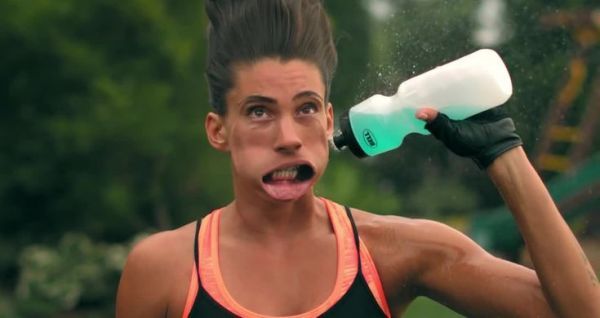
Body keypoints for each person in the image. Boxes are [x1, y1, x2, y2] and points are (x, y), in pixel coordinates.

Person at [115, 0, 600, 317]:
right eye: (259, 111)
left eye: (305, 108)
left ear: (329, 122)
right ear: (218, 130)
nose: (288, 137)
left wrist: (503, 154)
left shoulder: (394, 251)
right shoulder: (164, 269)